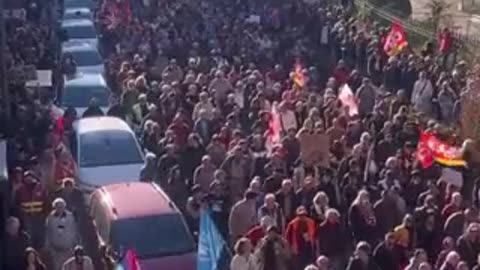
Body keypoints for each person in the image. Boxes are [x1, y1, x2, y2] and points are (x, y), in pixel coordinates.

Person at [45, 198, 80, 270]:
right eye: (58, 206)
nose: (60, 208)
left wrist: (75, 244)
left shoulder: (70, 217)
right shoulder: (50, 218)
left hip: (68, 250)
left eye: (61, 206)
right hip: (56, 251)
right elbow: (48, 232)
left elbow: (74, 230)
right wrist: (48, 245)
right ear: (54, 207)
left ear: (64, 207)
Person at [15, 171, 47, 249]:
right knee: (29, 237)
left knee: (40, 236)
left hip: (39, 216)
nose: (28, 178)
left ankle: (40, 253)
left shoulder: (40, 187)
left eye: (30, 176)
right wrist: (21, 214)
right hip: (26, 217)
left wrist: (44, 214)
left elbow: (46, 202)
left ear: (34, 177)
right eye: (26, 177)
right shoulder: (20, 189)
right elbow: (17, 203)